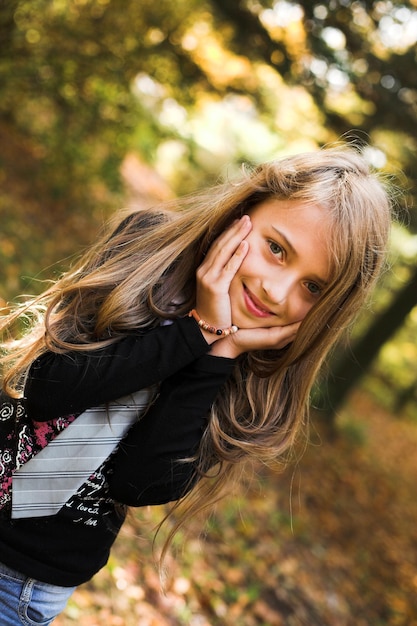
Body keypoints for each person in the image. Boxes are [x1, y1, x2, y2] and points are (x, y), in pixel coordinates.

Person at [0, 145, 392, 624]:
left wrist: (219, 352)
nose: (276, 290)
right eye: (276, 248)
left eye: (313, 287)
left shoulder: (254, 384)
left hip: (20, 581)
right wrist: (196, 328)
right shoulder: (146, 249)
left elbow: (138, 482)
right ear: (245, 210)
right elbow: (48, 388)